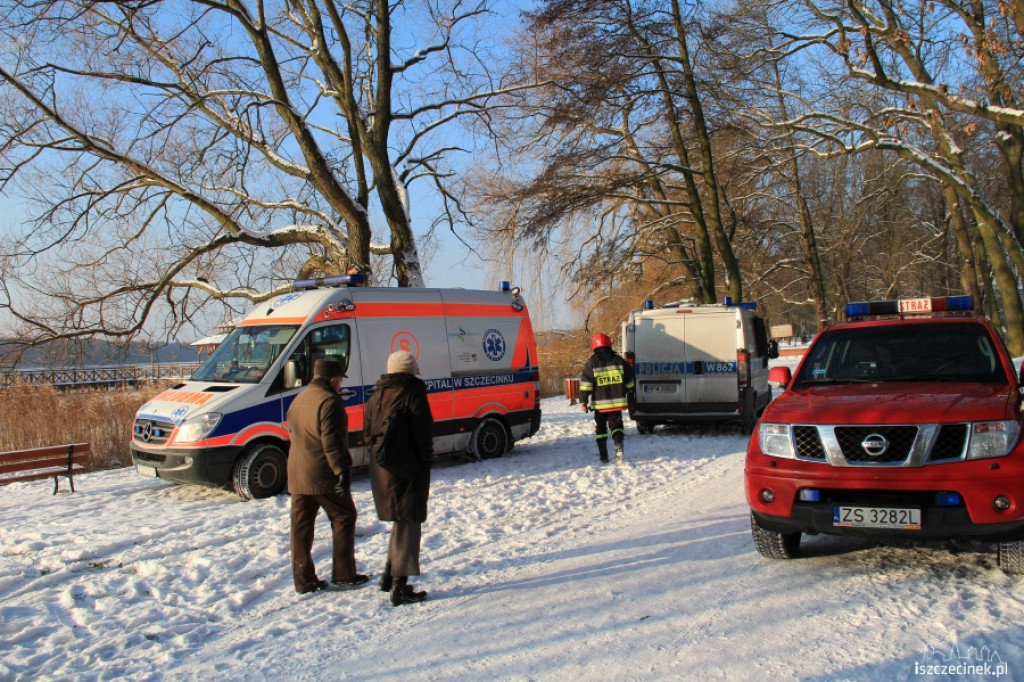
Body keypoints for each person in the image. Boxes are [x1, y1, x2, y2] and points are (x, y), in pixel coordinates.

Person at [286, 357, 368, 594]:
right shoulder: (329, 402)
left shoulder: (299, 399)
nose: (341, 385)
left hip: (297, 473)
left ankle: (303, 580)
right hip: (321, 473)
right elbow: (332, 443)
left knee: (301, 528)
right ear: (333, 380)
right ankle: (344, 573)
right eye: (340, 380)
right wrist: (341, 470)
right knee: (344, 515)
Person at [364, 350, 434, 606]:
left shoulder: (376, 396)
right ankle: (399, 585)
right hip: (408, 468)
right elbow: (423, 433)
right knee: (409, 521)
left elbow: (367, 434)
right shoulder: (413, 393)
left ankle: (388, 574)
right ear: (410, 370)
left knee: (400, 520)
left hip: (382, 469)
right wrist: (424, 463)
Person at [579, 333, 636, 463]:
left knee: (601, 430)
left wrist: (583, 401)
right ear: (609, 345)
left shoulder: (592, 363)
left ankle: (603, 456)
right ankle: (619, 448)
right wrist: (629, 390)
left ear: (595, 346)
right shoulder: (618, 360)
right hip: (616, 404)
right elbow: (630, 379)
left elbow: (586, 383)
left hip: (600, 406)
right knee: (617, 426)